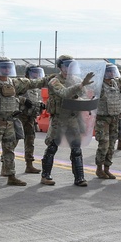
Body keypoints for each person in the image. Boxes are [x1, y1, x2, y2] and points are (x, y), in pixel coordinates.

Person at [0, 56, 47, 190]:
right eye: (3, 67)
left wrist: (48, 79)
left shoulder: (14, 82)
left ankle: (11, 176)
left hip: (9, 122)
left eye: (8, 66)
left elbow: (33, 83)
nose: (6, 69)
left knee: (9, 150)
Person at [41, 55, 97, 186]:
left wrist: (89, 102)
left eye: (71, 65)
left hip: (73, 119)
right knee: (52, 147)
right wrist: (81, 84)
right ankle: (45, 176)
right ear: (60, 67)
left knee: (76, 149)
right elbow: (65, 93)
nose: (68, 68)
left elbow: (81, 96)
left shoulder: (76, 80)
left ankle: (80, 178)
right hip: (59, 119)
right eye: (65, 65)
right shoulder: (54, 81)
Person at [94, 62, 121, 179]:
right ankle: (99, 169)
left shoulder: (115, 83)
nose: (111, 73)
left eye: (112, 71)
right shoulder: (99, 85)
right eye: (108, 71)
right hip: (102, 119)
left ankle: (107, 168)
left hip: (114, 118)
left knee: (111, 144)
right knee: (104, 144)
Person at [17, 65, 46, 174]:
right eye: (34, 73)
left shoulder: (36, 88)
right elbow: (11, 95)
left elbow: (37, 100)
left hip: (30, 117)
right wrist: (23, 100)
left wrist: (40, 105)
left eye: (38, 73)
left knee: (30, 140)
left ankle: (29, 164)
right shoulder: (22, 84)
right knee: (12, 141)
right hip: (20, 116)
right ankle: (6, 166)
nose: (36, 75)